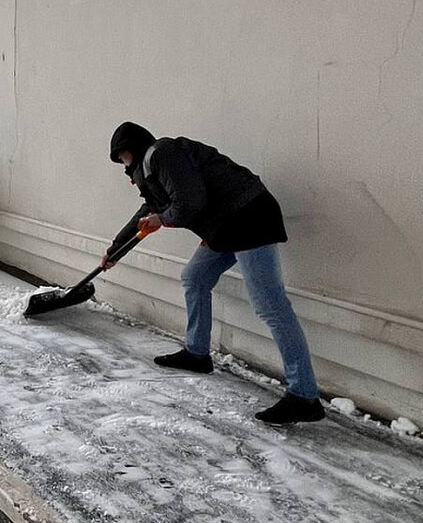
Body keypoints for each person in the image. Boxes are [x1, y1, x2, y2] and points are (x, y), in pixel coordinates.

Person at [103, 121, 323, 424]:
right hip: (224, 226)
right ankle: (197, 354)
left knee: (270, 305)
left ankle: (304, 396)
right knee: (194, 277)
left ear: (132, 149)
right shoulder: (152, 176)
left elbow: (190, 203)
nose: (124, 168)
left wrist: (162, 220)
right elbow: (147, 215)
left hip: (248, 216)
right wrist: (115, 250)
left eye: (123, 158)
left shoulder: (162, 154)